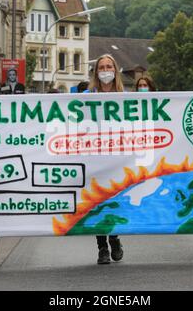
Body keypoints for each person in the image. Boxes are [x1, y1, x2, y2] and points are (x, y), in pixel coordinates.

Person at [86, 54, 125, 264]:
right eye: (101, 66)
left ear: (115, 70)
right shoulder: (87, 95)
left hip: (118, 158)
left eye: (109, 66)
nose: (105, 70)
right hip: (94, 158)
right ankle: (102, 247)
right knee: (97, 202)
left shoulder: (125, 96)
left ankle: (114, 237)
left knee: (114, 201)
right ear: (96, 71)